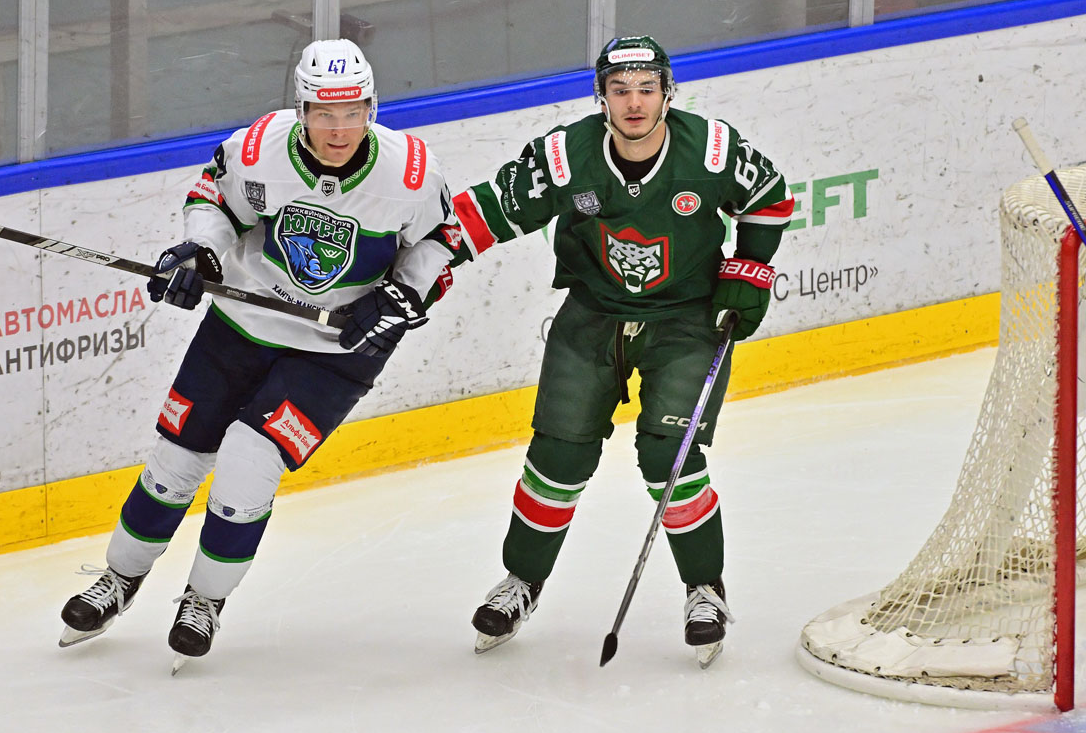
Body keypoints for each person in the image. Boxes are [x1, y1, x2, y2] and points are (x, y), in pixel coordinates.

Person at [58, 38, 459, 669]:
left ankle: (204, 599)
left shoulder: (410, 172)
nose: (339, 130)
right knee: (176, 457)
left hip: (337, 348)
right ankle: (120, 578)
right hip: (240, 325)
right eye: (324, 114)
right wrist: (200, 254)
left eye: (352, 112)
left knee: (250, 459)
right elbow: (214, 202)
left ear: (372, 108)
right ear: (301, 110)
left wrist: (399, 296)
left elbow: (442, 240)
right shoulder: (258, 149)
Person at [451, 35, 794, 666]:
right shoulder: (566, 157)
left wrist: (748, 270)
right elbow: (489, 210)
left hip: (686, 320)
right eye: (619, 90)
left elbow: (771, 199)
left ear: (667, 92)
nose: (634, 103)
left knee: (670, 456)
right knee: (557, 456)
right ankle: (522, 581)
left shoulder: (711, 150)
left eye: (646, 89)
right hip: (593, 317)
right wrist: (429, 254)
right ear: (601, 97)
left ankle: (704, 590)